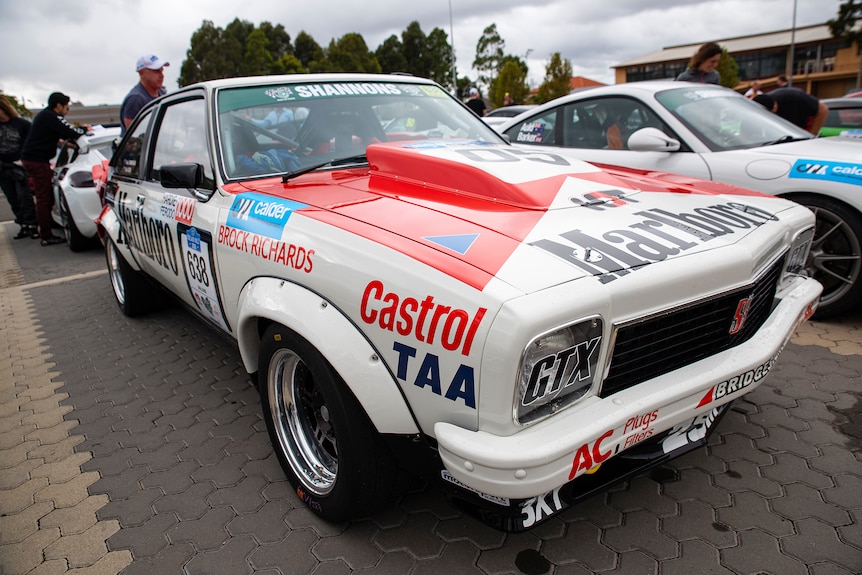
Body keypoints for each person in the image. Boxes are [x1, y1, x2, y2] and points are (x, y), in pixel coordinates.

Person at [20, 92, 90, 246]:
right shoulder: (50, 116)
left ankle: (47, 228)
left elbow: (57, 135)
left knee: (45, 196)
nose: (67, 111)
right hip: (38, 161)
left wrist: (66, 142)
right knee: (44, 198)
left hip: (34, 160)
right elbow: (71, 131)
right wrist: (85, 129)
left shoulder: (44, 117)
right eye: (66, 107)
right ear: (58, 105)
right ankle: (46, 235)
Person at [0, 96, 38, 239]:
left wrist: (24, 159)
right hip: (3, 168)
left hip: (19, 166)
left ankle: (32, 225)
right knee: (12, 198)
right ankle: (23, 224)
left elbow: (33, 142)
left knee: (25, 197)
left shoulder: (22, 124)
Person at [120, 54, 169, 134]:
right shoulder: (135, 99)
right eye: (156, 71)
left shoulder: (162, 94)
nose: (162, 75)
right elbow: (135, 135)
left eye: (162, 71)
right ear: (142, 73)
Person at [753, 89, 828, 135]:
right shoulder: (758, 108)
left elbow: (823, 109)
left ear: (775, 105)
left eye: (774, 112)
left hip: (804, 131)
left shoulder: (796, 97)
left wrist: (811, 135)